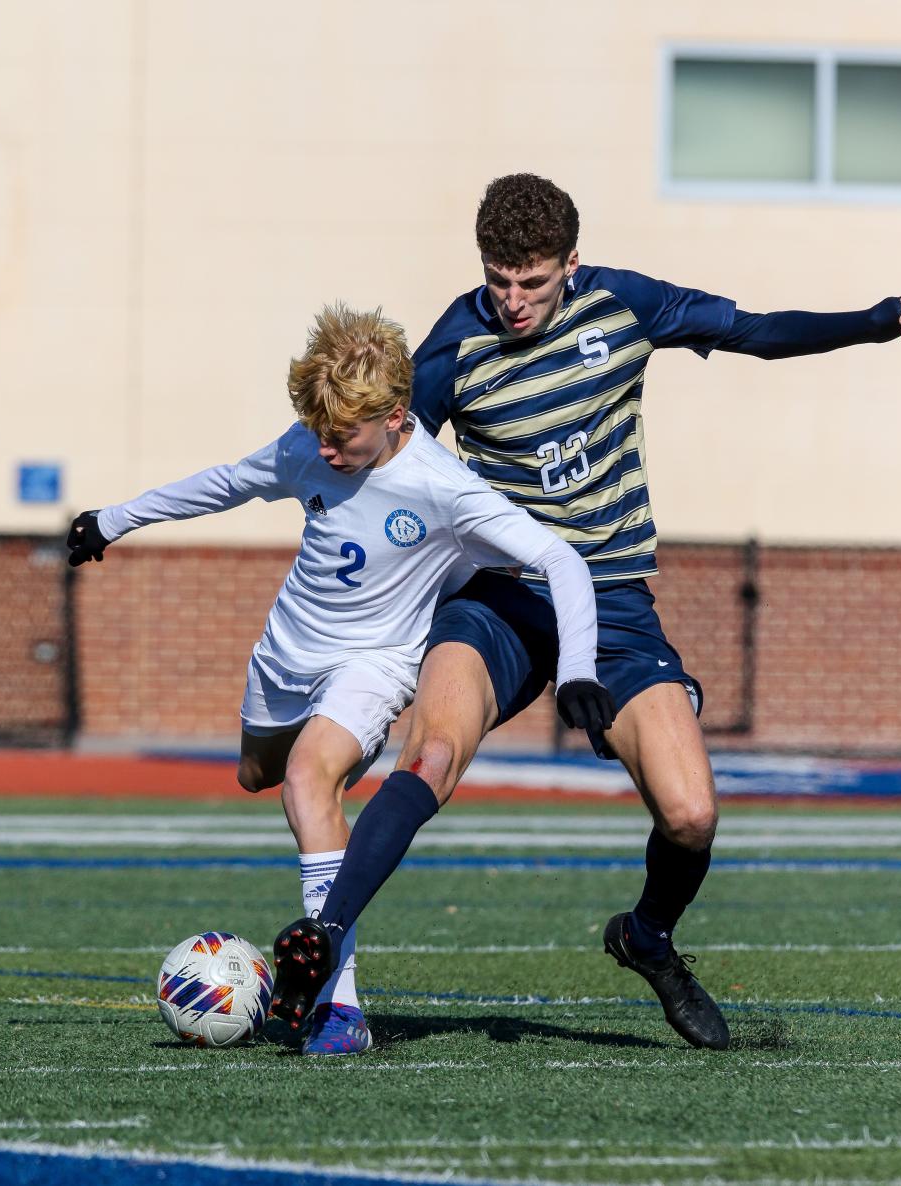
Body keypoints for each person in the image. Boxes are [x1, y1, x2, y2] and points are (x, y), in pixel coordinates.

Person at [271, 174, 901, 1053]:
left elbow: (755, 334)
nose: (512, 301)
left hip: (612, 602)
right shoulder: (450, 351)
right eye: (498, 280)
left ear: (570, 265)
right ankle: (322, 942)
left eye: (532, 282)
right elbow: (382, 469)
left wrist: (870, 322)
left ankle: (647, 939)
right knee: (433, 751)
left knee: (691, 814)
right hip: (497, 601)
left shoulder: (626, 304)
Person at [65, 302, 614, 1056]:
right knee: (259, 774)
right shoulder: (312, 444)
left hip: (373, 666)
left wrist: (577, 667)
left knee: (304, 780)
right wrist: (113, 520)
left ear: (395, 416)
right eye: (318, 433)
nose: (324, 450)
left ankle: (339, 1008)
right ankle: (326, 797)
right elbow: (227, 482)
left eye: (343, 437)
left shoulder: (443, 485)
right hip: (284, 658)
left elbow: (561, 560)